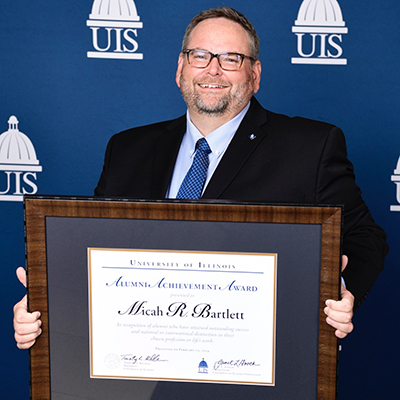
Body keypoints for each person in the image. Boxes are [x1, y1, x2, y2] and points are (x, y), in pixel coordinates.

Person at [13, 6, 388, 349]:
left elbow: (364, 238)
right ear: (180, 69)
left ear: (254, 75)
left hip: (258, 359)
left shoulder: (311, 146)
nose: (213, 69)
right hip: (142, 356)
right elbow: (97, 252)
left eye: (231, 58)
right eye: (200, 55)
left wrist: (341, 291)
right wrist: (46, 302)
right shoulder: (128, 149)